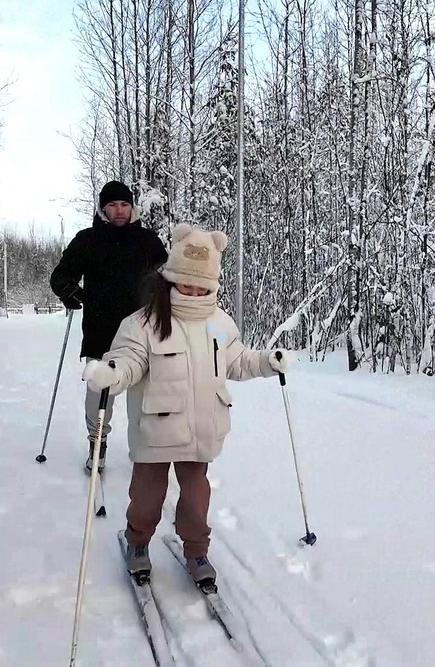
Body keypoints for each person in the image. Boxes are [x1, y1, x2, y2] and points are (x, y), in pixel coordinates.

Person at [83, 223, 291, 588]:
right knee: (147, 499)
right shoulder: (142, 323)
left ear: (212, 286)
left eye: (202, 286)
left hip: (200, 429)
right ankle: (137, 542)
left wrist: (266, 362)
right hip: (156, 432)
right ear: (170, 279)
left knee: (196, 500)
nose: (193, 291)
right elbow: (127, 363)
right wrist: (109, 374)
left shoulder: (220, 323)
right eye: (185, 283)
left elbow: (237, 361)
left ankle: (196, 549)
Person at [49, 180, 169, 473]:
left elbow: (169, 276)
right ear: (103, 208)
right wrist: (70, 292)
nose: (119, 211)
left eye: (124, 205)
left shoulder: (149, 242)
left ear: (132, 207)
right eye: (113, 205)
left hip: (143, 334)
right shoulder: (87, 240)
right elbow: (60, 276)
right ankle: (97, 445)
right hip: (102, 333)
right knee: (99, 397)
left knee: (143, 400)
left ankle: (146, 454)